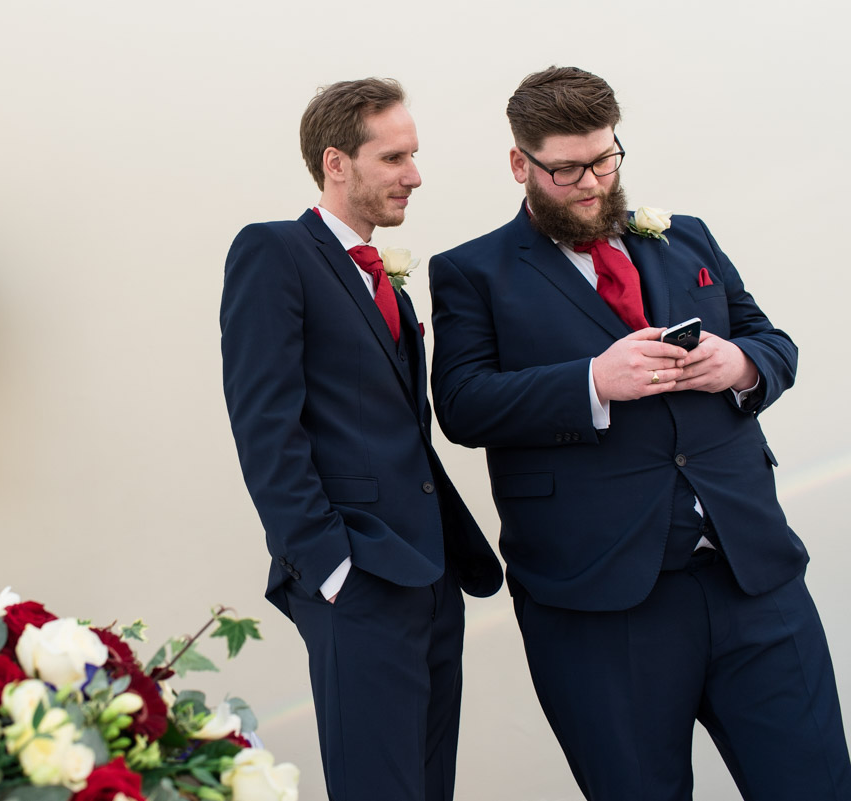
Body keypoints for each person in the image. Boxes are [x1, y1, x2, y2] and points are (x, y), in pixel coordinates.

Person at [428, 65, 851, 800]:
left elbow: (769, 339)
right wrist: (592, 380)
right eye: (566, 169)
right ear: (519, 165)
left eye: (604, 158)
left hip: (752, 573)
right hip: (599, 602)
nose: (591, 182)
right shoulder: (473, 272)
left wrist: (743, 362)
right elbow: (462, 404)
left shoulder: (685, 237)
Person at [220, 78, 502, 801]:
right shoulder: (273, 253)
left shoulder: (385, 279)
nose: (414, 174)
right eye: (394, 157)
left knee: (428, 784)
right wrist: (331, 567)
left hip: (431, 576)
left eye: (414, 154)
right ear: (336, 162)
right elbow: (265, 425)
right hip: (360, 579)